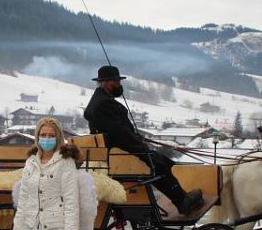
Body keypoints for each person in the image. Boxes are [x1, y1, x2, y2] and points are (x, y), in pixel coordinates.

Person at [84, 65, 203, 215]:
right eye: (117, 82)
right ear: (107, 83)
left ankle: (182, 196)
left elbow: (119, 132)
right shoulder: (105, 104)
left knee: (162, 160)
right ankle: (182, 201)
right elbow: (120, 134)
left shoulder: (98, 101)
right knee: (158, 164)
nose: (119, 85)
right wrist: (142, 147)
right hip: (120, 152)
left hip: (116, 151)